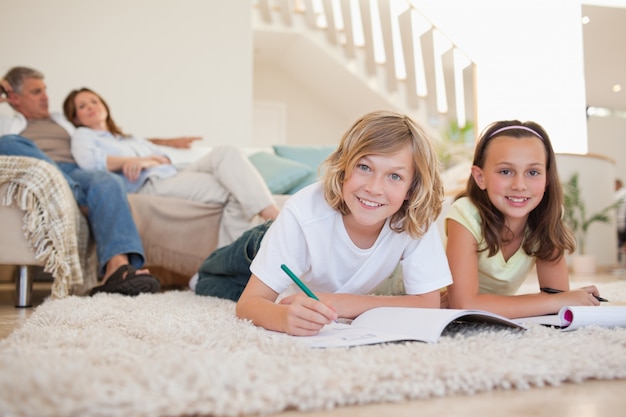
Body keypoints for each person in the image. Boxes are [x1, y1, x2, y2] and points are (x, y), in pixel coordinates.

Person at [195, 110, 452, 336]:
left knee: (274, 298)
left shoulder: (415, 217)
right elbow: (249, 304)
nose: (374, 188)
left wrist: (342, 303)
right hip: (256, 248)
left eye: (395, 176)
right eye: (364, 167)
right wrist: (283, 319)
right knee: (210, 283)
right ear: (343, 169)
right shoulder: (303, 211)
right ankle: (198, 275)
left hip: (304, 285)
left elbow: (427, 303)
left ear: (412, 188)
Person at [0, 66, 161, 296]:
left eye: (44, 90)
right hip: (42, 173)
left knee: (107, 181)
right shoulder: (7, 123)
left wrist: (166, 143)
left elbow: (112, 136)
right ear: (14, 98)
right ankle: (76, 193)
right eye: (36, 92)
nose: (45, 96)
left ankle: (117, 269)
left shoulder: (63, 120)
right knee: (6, 142)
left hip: (76, 172)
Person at [63, 87, 280, 247]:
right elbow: (91, 163)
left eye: (94, 101)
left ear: (104, 106)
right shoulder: (83, 136)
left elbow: (162, 157)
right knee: (232, 190)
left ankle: (271, 215)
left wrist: (148, 159)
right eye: (82, 106)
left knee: (227, 152)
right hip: (151, 184)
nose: (91, 107)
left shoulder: (128, 138)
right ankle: (273, 225)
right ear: (76, 117)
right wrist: (137, 162)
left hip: (174, 172)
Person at [444, 120, 604, 319]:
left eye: (533, 172)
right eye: (505, 171)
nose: (519, 185)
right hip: (409, 296)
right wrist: (556, 300)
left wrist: (565, 299)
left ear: (546, 179)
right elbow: (464, 304)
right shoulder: (465, 214)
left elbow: (556, 294)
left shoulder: (546, 217)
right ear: (480, 177)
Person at [614, 178, 626, 261]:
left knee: (623, 244)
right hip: (622, 221)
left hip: (622, 222)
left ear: (617, 184)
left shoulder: (618, 194)